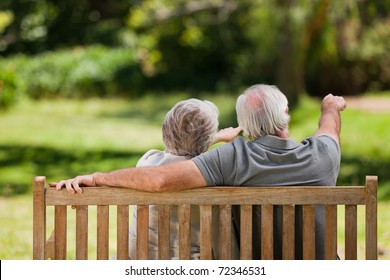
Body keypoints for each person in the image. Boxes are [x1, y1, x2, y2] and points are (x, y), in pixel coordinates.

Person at [51, 84, 346, 259]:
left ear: (246, 122)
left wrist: (99, 177)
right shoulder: (323, 155)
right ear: (286, 115)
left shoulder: (232, 158)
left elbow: (161, 177)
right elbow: (328, 130)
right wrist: (330, 108)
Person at [128, 98, 241, 260]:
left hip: (141, 261)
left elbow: (178, 154)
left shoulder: (147, 162)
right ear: (206, 139)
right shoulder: (211, 174)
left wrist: (212, 138)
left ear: (165, 130)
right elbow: (194, 159)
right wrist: (213, 138)